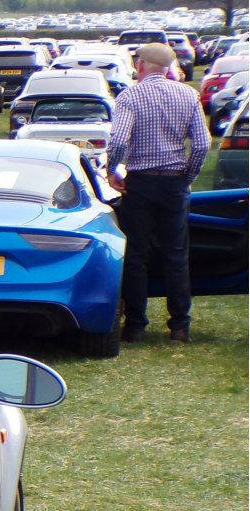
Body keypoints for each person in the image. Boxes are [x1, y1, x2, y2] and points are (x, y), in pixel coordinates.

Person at [106, 42, 210, 345]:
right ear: (168, 69)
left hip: (140, 182)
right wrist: (187, 177)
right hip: (174, 183)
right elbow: (202, 145)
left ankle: (136, 325)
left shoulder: (130, 96)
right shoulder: (189, 95)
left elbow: (119, 143)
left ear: (140, 67)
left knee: (136, 255)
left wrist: (113, 170)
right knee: (176, 255)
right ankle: (179, 325)